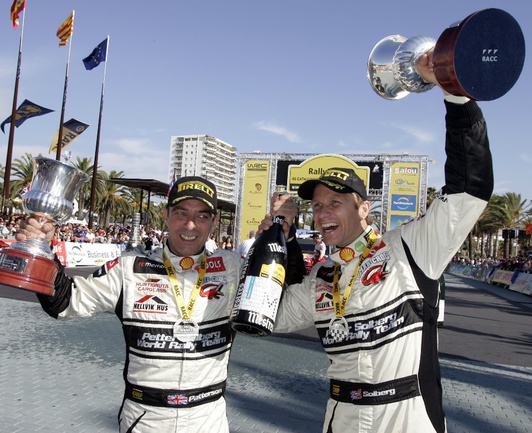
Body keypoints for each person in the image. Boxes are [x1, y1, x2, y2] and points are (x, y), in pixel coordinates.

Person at [261, 50, 493, 433]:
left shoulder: (410, 247)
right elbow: (268, 314)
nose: (323, 213)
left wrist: (455, 92)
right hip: (341, 418)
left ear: (364, 208)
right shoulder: (323, 276)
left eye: (335, 203)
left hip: (406, 418)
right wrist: (277, 238)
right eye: (317, 206)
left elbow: (469, 191)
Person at [17, 175, 303, 433]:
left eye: (202, 216)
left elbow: (284, 294)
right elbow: (63, 303)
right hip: (146, 419)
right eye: (181, 213)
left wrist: (285, 236)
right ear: (166, 216)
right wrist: (41, 250)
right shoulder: (129, 268)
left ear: (214, 222)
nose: (190, 225)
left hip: (207, 419)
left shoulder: (232, 267)